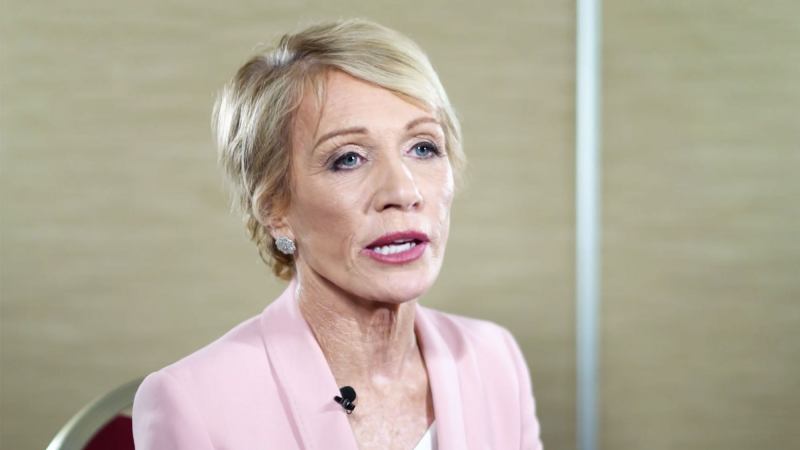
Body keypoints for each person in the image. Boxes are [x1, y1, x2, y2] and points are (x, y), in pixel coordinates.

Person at [132, 18, 543, 450]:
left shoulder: (494, 359)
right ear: (275, 209)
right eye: (348, 158)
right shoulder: (194, 401)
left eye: (423, 148)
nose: (403, 192)